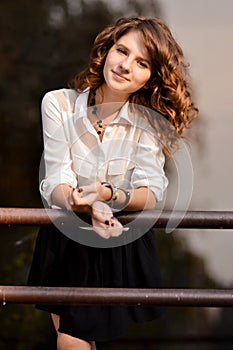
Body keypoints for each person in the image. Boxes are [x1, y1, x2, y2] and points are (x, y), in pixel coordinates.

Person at [28, 16, 198, 350]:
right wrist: (81, 202)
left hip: (115, 238)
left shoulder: (148, 123)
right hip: (64, 237)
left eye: (142, 62)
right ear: (106, 50)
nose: (125, 65)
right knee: (76, 339)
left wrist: (109, 195)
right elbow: (55, 180)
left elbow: (152, 193)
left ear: (151, 77)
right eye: (121, 51)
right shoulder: (58, 104)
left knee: (71, 339)